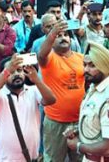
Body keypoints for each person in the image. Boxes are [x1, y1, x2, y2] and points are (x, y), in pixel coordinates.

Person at [0, 55, 56, 161]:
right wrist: (7, 71)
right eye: (12, 72)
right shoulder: (0, 95)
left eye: (19, 70)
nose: (16, 74)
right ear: (4, 76)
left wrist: (37, 79)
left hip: (31, 158)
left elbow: (51, 100)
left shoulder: (33, 91)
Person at [66, 42, 109, 162]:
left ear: (104, 68)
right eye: (85, 64)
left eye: (92, 66)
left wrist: (78, 146)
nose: (85, 70)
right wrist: (78, 131)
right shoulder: (94, 88)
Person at [37, 20, 85, 162]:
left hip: (79, 121)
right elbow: (41, 55)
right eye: (59, 35)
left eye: (66, 35)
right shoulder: (49, 59)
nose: (63, 37)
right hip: (55, 122)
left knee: (81, 159)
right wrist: (52, 33)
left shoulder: (82, 59)